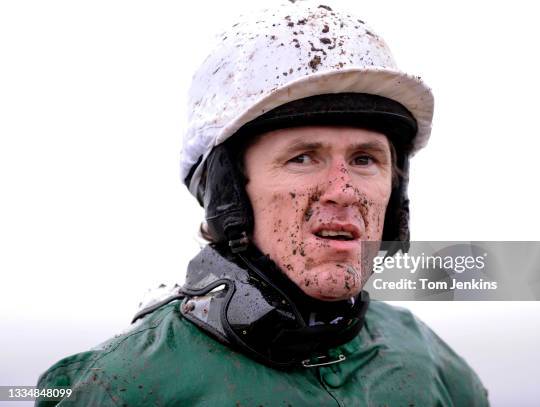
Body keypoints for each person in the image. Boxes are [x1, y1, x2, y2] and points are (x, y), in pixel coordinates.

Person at [36, 2, 489, 406]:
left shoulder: (434, 365)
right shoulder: (122, 387)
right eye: (303, 158)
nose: (345, 191)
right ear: (227, 194)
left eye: (365, 159)